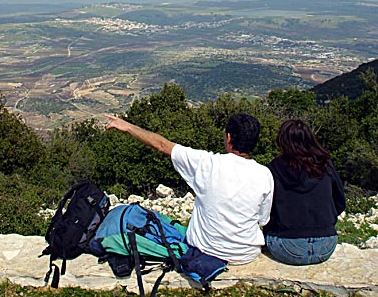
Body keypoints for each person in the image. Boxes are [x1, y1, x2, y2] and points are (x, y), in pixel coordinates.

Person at [106, 112, 274, 265]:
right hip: (245, 254)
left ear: (228, 138)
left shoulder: (207, 164)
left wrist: (127, 126)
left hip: (205, 250)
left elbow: (162, 145)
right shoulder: (265, 175)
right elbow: (262, 219)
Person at [263, 119, 346, 265]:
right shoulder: (325, 165)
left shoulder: (274, 168)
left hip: (287, 245)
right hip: (326, 244)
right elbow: (340, 202)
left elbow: (266, 210)